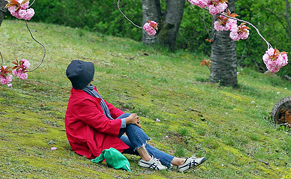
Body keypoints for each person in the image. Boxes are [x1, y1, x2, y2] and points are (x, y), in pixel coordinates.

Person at [64, 59, 206, 172]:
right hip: (89, 141)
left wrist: (130, 118)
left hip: (96, 135)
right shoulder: (81, 100)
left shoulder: (86, 91)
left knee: (137, 145)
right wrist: (127, 120)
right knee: (132, 131)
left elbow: (108, 107)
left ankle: (177, 162)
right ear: (87, 78)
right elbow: (103, 125)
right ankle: (149, 159)